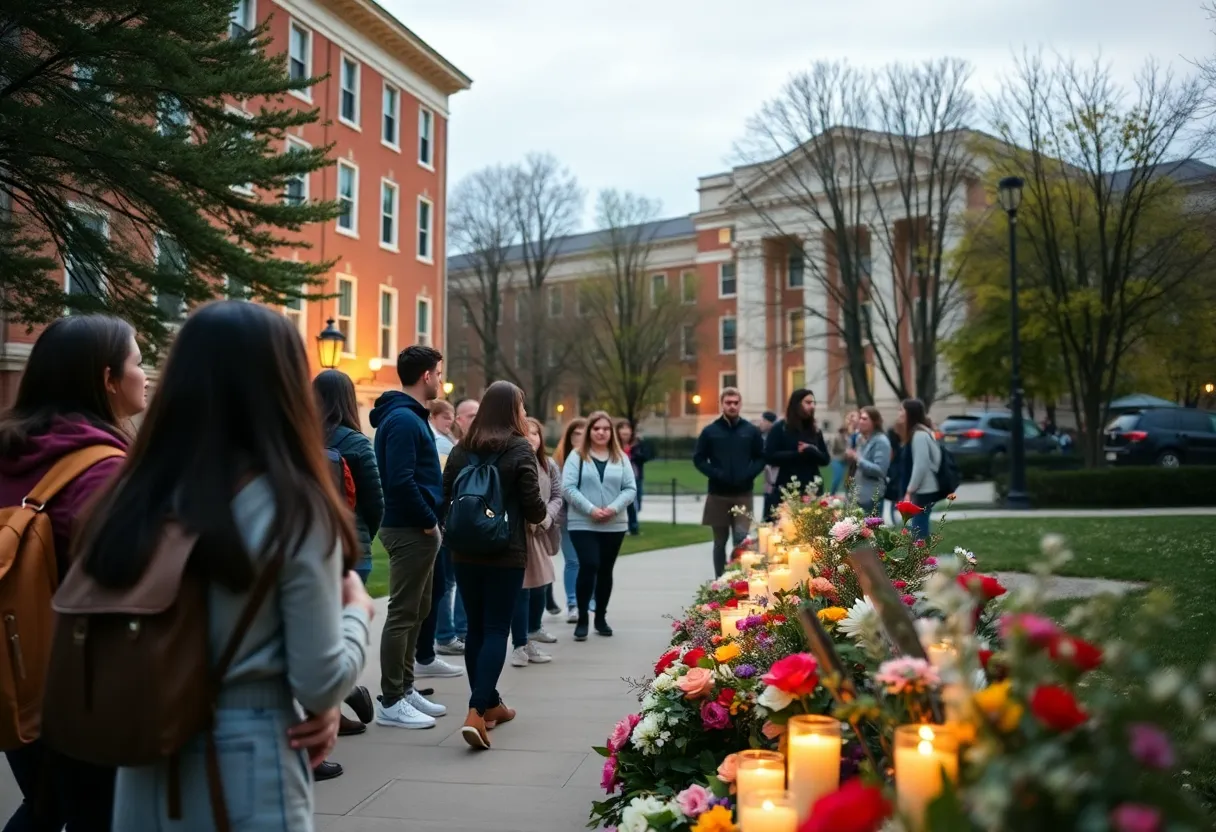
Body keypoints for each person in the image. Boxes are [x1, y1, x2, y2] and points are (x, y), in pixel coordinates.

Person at [75, 302, 374, 830]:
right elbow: (321, 678)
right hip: (249, 751)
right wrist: (355, 609)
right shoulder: (291, 504)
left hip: (144, 752)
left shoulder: (128, 492)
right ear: (281, 384)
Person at [0, 315, 147, 832]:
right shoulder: (104, 470)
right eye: (135, 361)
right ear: (107, 379)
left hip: (13, 674)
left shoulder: (10, 450)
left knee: (44, 805)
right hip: (82, 689)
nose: (144, 373)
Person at [442, 381, 548, 749]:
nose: (523, 412)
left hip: (465, 552)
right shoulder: (519, 448)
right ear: (511, 410)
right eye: (520, 406)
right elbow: (534, 505)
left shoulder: (461, 448)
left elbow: (444, 497)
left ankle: (491, 706)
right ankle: (475, 712)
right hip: (506, 551)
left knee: (474, 628)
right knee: (495, 629)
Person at [370, 345, 452, 731]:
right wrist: (427, 520)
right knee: (403, 613)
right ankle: (390, 699)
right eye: (439, 373)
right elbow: (399, 480)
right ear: (426, 376)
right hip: (409, 529)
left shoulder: (410, 417)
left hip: (416, 527)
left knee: (417, 610)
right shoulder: (403, 420)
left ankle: (404, 689)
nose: (441, 379)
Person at [312, 369, 384, 777]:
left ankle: (335, 708)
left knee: (320, 633)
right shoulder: (356, 443)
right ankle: (345, 693)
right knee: (341, 634)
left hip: (310, 546)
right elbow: (375, 502)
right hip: (349, 547)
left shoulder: (302, 436)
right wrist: (363, 535)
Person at [563, 411, 637, 641]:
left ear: (611, 432)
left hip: (614, 523)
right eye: (597, 428)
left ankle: (601, 617)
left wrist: (613, 508)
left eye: (606, 428)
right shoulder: (577, 456)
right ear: (590, 431)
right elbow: (568, 487)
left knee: (605, 570)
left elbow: (630, 489)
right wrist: (591, 509)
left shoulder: (620, 457)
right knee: (589, 564)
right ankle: (582, 615)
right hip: (583, 522)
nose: (601, 432)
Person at [413, 398, 466, 677]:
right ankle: (433, 645)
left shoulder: (443, 439)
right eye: (448, 418)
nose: (452, 422)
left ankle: (425, 652)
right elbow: (438, 483)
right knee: (436, 586)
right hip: (434, 522)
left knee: (439, 584)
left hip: (438, 521)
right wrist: (431, 519)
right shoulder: (437, 441)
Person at [692, 388, 766, 577]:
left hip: (743, 494)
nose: (732, 406)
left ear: (740, 404)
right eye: (728, 402)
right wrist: (716, 473)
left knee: (741, 541)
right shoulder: (710, 431)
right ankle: (720, 581)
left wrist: (749, 473)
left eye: (735, 402)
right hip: (718, 495)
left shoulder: (751, 431)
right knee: (719, 542)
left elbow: (761, 458)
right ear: (722, 404)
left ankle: (738, 580)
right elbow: (698, 459)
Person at [509, 417, 563, 667]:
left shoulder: (548, 464)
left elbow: (556, 495)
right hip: (517, 533)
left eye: (535, 433)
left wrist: (545, 518)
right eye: (525, 432)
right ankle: (519, 644)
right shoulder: (512, 461)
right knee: (520, 590)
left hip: (540, 531)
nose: (531, 437)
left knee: (541, 584)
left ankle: (533, 631)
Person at [766, 388, 829, 497]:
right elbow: (769, 456)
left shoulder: (815, 430)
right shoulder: (780, 428)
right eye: (808, 403)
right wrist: (797, 453)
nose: (812, 406)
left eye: (813, 403)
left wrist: (811, 450)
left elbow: (825, 459)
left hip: (812, 487)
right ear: (797, 404)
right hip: (787, 488)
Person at [554, 418, 588, 623]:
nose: (580, 438)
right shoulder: (560, 461)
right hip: (568, 518)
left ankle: (589, 599)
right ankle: (573, 603)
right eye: (576, 434)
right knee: (573, 561)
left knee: (591, 562)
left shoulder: (596, 459)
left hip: (593, 518)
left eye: (584, 433)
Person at [901, 398, 941, 540]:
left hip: (924, 489)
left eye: (903, 411)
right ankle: (921, 558)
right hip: (925, 488)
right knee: (918, 527)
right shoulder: (922, 433)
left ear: (910, 414)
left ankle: (921, 559)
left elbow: (920, 465)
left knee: (919, 530)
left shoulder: (919, 435)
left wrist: (910, 490)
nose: (900, 414)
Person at [846, 406, 891, 515]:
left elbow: (880, 470)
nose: (860, 421)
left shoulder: (881, 441)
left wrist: (858, 459)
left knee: (872, 531)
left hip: (872, 497)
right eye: (860, 418)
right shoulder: (860, 439)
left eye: (864, 419)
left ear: (874, 422)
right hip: (858, 495)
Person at [616, 420, 642, 536]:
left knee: (635, 502)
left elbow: (646, 455)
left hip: (634, 475)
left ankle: (633, 526)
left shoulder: (637, 444)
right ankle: (627, 526)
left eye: (627, 429)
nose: (625, 432)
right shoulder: (614, 445)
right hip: (619, 476)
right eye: (622, 429)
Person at [758, 410, 780, 521]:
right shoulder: (764, 436)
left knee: (772, 513)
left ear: (769, 422)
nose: (760, 423)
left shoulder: (775, 437)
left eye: (762, 421)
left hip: (775, 480)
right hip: (769, 481)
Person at [828, 424, 850, 494]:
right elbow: (831, 449)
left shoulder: (847, 439)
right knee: (837, 478)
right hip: (837, 460)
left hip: (846, 461)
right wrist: (831, 458)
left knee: (846, 479)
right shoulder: (836, 438)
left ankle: (845, 494)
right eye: (844, 431)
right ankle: (832, 493)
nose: (845, 433)